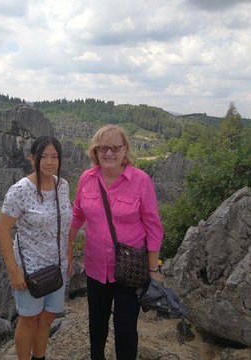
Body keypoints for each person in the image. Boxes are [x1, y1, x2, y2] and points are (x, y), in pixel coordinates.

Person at [67, 125, 163, 360]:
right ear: (96, 151)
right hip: (96, 267)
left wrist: (154, 269)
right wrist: (68, 249)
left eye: (115, 148)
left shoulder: (141, 181)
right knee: (96, 324)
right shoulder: (87, 179)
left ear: (125, 150)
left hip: (130, 269)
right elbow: (77, 216)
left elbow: (153, 227)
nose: (109, 153)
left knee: (126, 327)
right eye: (103, 148)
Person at [0, 135, 73, 360]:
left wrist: (69, 252)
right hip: (30, 270)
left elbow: (65, 221)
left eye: (54, 157)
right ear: (33, 159)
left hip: (58, 266)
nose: (49, 162)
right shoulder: (20, 190)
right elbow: (2, 230)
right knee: (29, 319)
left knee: (48, 317)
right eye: (44, 156)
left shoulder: (63, 186)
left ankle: (39, 357)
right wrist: (13, 270)